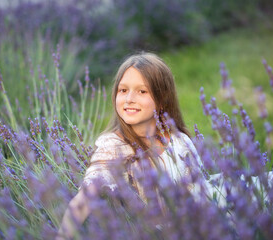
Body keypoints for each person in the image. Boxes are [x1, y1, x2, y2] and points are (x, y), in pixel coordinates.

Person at [56, 52, 204, 239]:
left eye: (142, 91)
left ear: (161, 99)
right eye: (123, 90)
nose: (129, 99)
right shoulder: (114, 146)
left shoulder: (179, 141)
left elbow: (199, 194)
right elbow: (86, 195)